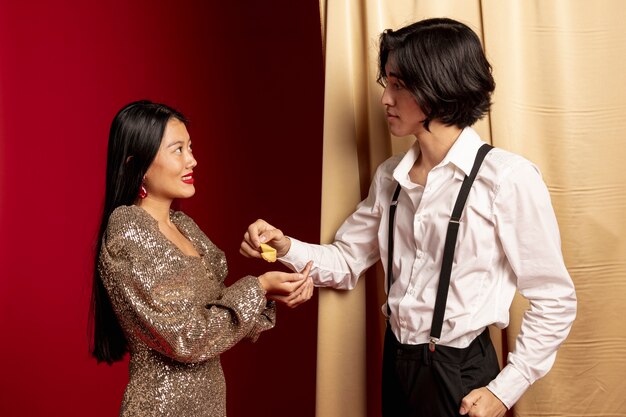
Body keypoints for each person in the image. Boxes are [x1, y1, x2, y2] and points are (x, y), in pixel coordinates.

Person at [240, 17, 577, 417]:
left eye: (399, 85)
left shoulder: (506, 178)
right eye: (388, 83)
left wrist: (505, 389)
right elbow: (347, 262)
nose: (385, 98)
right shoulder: (390, 178)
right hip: (397, 363)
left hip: (462, 372)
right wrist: (284, 246)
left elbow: (555, 300)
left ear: (439, 86)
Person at [89, 100, 313, 417]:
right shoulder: (128, 230)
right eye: (177, 150)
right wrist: (258, 287)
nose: (192, 160)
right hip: (162, 409)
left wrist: (269, 292)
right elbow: (187, 339)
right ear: (136, 163)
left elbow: (217, 322)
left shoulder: (184, 227)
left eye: (190, 148)